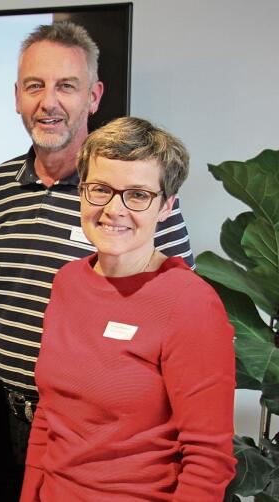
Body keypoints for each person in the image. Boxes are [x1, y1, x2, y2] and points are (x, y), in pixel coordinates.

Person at [0, 22, 196, 501]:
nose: (49, 102)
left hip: (90, 426)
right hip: (1, 408)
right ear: (17, 96)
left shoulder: (126, 196)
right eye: (35, 86)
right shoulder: (1, 182)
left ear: (94, 96)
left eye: (66, 86)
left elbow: (178, 309)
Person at [20, 116, 236, 500]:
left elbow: (208, 460)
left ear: (166, 206)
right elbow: (49, 416)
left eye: (137, 195)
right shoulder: (68, 282)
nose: (114, 209)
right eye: (100, 189)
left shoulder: (190, 304)